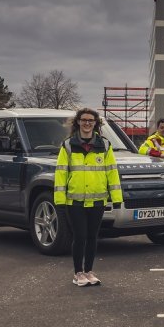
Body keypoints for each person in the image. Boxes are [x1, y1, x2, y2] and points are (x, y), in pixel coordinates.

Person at [55, 108, 122, 287]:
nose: (87, 123)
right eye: (84, 120)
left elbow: (112, 173)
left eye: (91, 120)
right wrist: (60, 200)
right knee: (80, 236)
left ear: (96, 123)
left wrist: (117, 197)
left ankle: (89, 271)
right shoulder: (68, 145)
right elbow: (61, 174)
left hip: (98, 200)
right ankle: (78, 273)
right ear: (78, 122)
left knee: (93, 236)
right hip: (75, 201)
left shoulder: (105, 145)